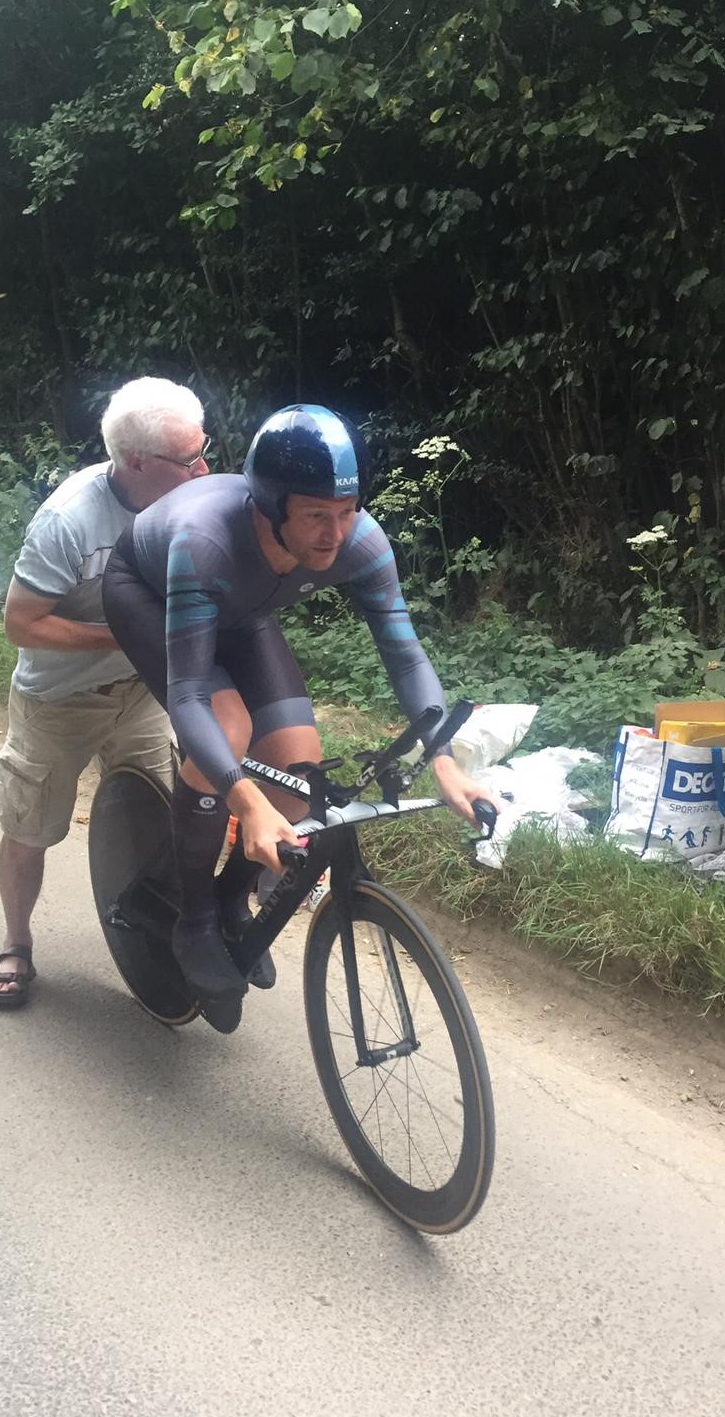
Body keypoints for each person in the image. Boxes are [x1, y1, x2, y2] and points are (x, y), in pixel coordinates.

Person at [101, 403, 498, 1031]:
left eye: (348, 510)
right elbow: (188, 697)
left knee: (296, 772)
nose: (334, 534)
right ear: (270, 507)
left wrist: (443, 760)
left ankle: (231, 896)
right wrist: (243, 800)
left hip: (241, 609)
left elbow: (404, 652)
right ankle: (194, 916)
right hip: (148, 594)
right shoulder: (205, 539)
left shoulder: (360, 541)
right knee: (227, 730)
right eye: (316, 515)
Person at [0, 376, 210, 1009]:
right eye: (188, 458)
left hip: (141, 694)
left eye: (203, 450)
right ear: (136, 462)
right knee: (30, 829)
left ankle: (157, 936)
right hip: (57, 700)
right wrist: (126, 635)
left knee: (162, 821)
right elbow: (21, 624)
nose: (204, 469)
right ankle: (16, 943)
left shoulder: (191, 498)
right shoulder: (68, 522)